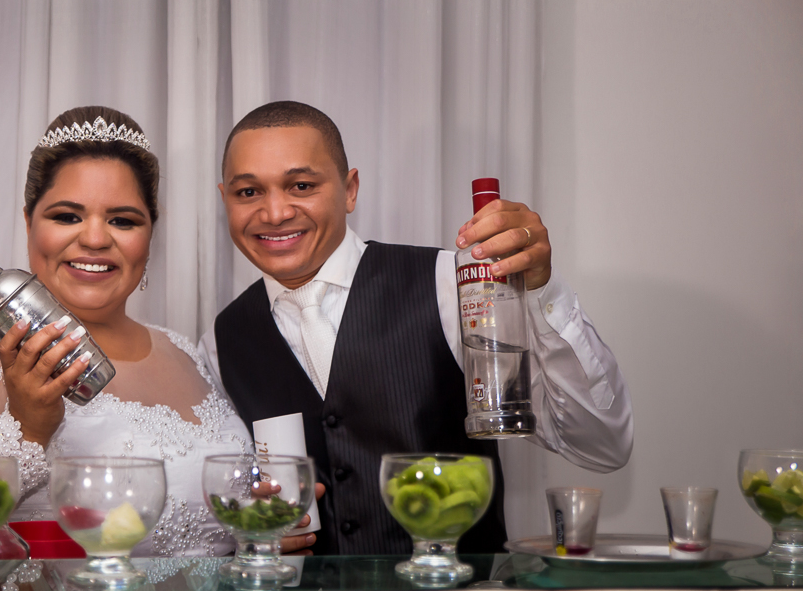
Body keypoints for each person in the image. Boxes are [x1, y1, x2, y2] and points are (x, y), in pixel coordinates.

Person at [0, 106, 319, 562]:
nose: (94, 239)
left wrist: (253, 533)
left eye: (123, 220)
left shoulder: (187, 352)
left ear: (150, 234)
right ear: (29, 224)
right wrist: (27, 430)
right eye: (67, 216)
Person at [199, 100, 633, 556]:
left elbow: (601, 445)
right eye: (248, 192)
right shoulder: (221, 341)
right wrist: (258, 533)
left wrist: (542, 291)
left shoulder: (452, 286)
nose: (274, 212)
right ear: (225, 198)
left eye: (301, 185)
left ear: (350, 190)